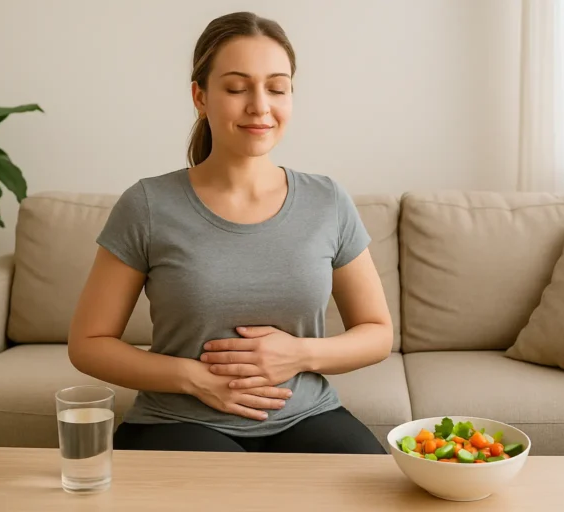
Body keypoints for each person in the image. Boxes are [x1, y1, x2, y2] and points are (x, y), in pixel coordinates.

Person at [68, 11, 392, 455]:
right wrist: (194, 379)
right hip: (176, 420)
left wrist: (300, 354)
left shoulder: (328, 201)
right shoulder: (147, 204)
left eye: (277, 88)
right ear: (200, 97)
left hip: (307, 416)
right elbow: (88, 344)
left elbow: (377, 333)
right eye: (237, 88)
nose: (260, 105)